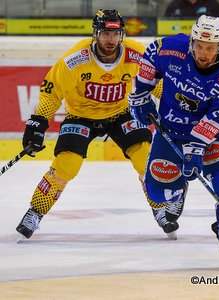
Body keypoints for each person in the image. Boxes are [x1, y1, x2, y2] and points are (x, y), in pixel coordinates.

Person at [16, 9, 179, 242]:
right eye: (105, 34)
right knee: (66, 166)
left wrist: (176, 108)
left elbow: (155, 83)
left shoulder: (135, 54)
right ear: (95, 34)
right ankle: (35, 211)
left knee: (145, 158)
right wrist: (37, 124)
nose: (110, 40)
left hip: (120, 113)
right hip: (80, 116)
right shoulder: (76, 58)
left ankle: (160, 208)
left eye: (115, 34)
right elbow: (52, 93)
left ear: (121, 34)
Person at [128, 15, 219, 269]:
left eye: (210, 48)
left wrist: (196, 146)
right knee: (155, 189)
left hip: (213, 134)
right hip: (171, 129)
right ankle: (177, 191)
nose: (203, 53)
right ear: (192, 42)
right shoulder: (172, 48)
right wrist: (141, 93)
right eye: (199, 46)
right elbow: (151, 55)